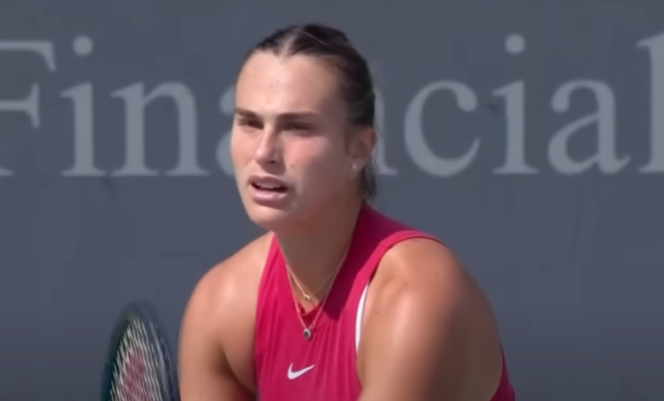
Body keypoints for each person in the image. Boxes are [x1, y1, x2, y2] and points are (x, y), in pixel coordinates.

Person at [178, 22, 515, 401]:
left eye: (297, 127)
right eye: (250, 123)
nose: (263, 152)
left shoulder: (416, 296)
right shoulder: (221, 303)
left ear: (358, 149)